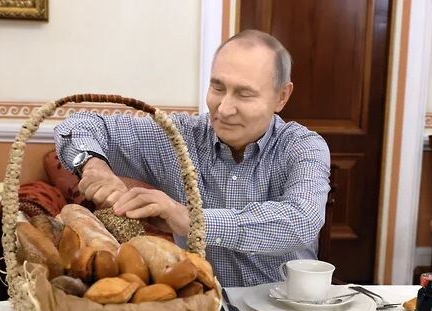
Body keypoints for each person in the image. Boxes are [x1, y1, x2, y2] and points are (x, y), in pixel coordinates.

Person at [54, 29, 330, 287]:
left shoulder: (304, 146)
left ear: (281, 97)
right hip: (203, 307)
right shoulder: (178, 137)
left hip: (290, 310)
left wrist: (190, 220)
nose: (224, 109)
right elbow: (77, 125)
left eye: (244, 94)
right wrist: (93, 164)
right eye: (218, 88)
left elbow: (301, 220)